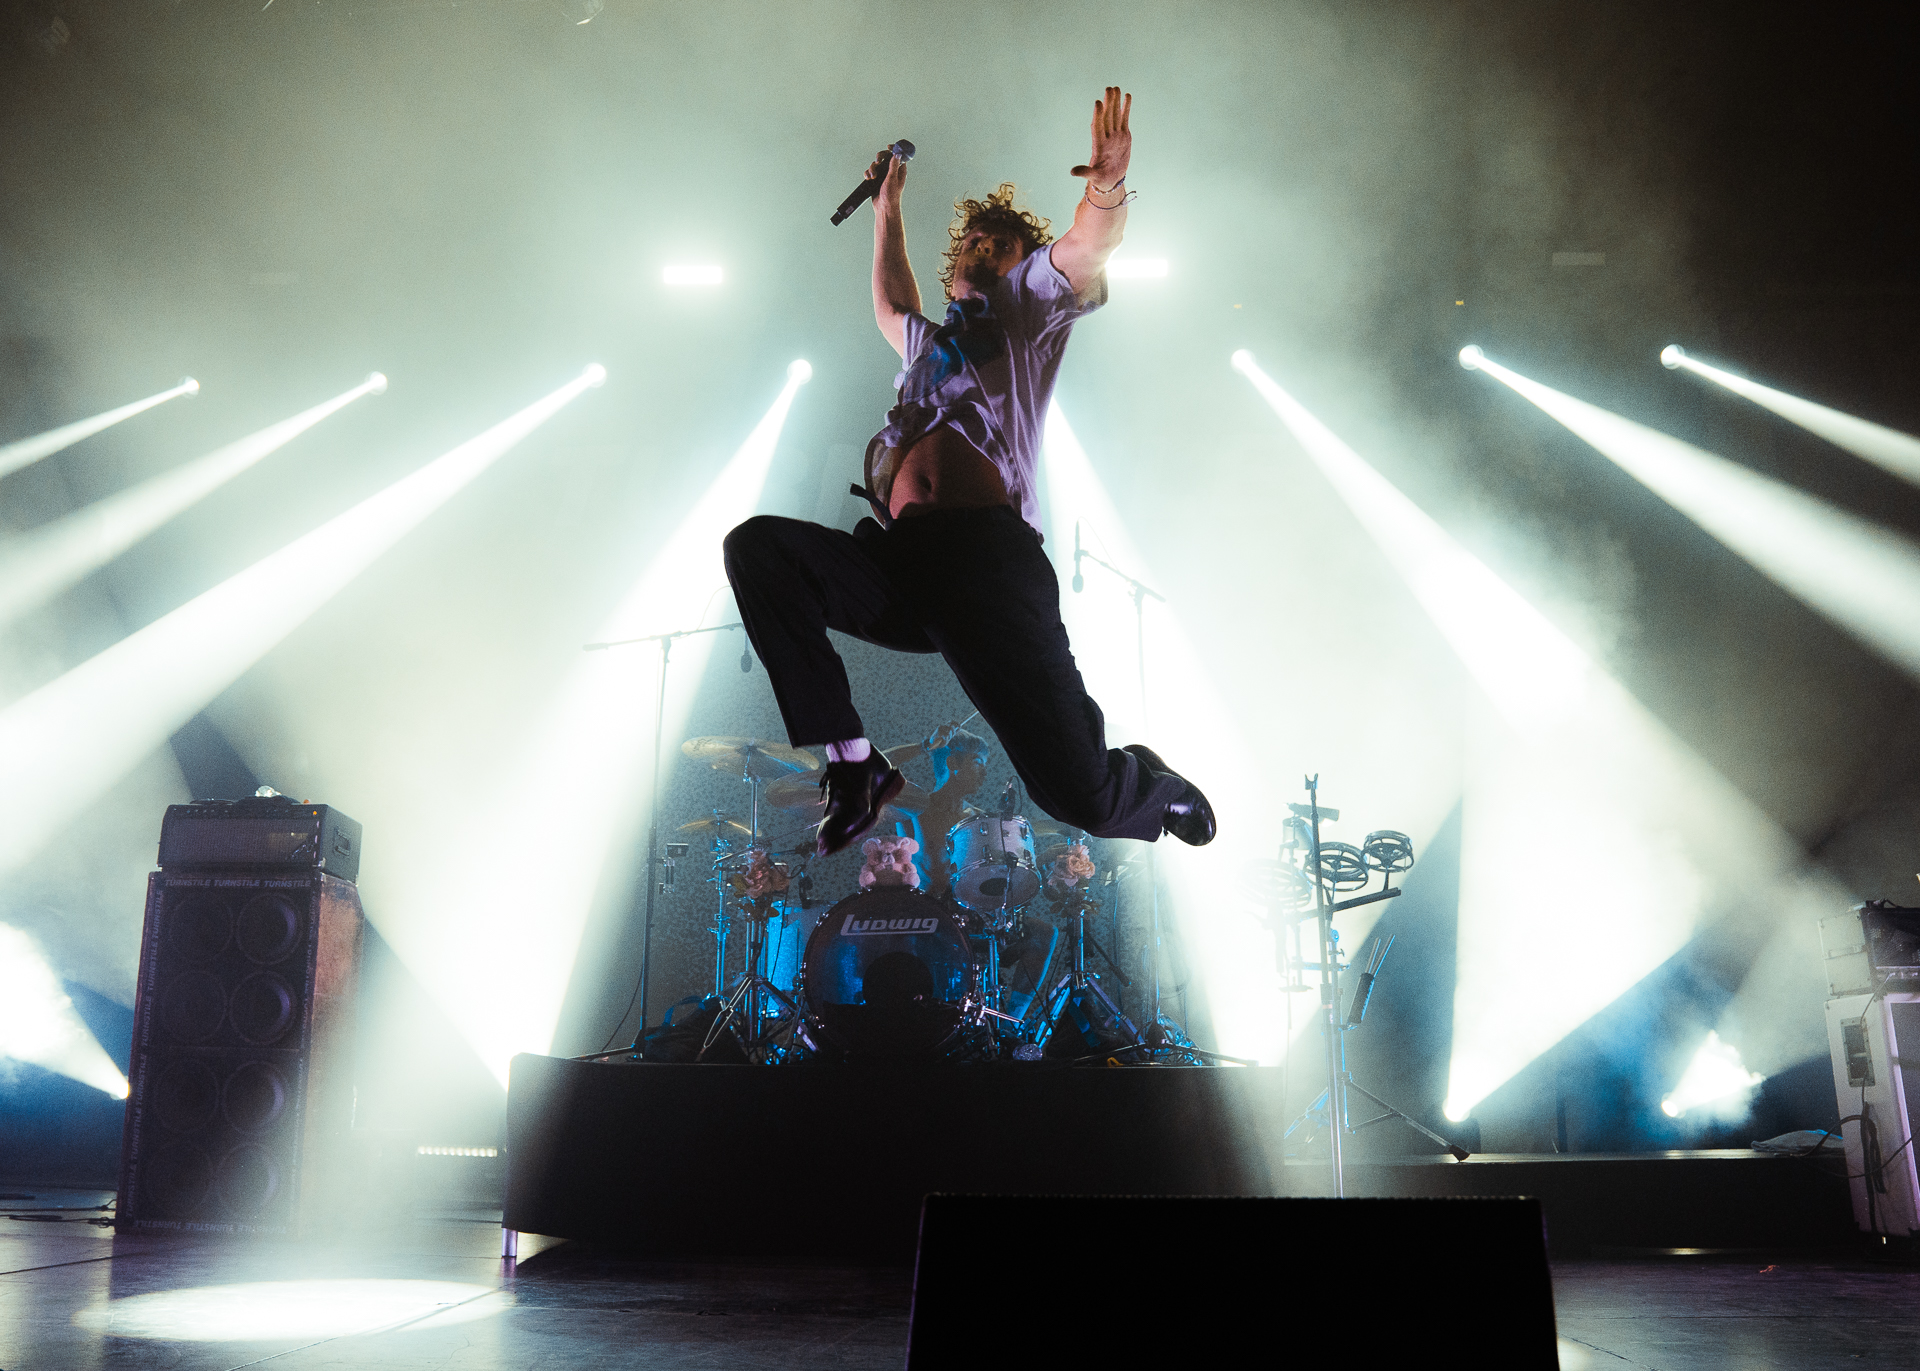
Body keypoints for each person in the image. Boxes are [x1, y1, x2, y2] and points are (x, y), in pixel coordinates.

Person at [725, 87, 1214, 857]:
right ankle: (853, 762)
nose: (983, 249)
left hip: (988, 566)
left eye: (1000, 244)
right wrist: (888, 208)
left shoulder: (1026, 311)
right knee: (759, 550)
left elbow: (1086, 248)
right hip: (906, 569)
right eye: (973, 243)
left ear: (1021, 262)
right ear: (955, 267)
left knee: (1076, 793)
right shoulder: (928, 346)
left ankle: (1152, 786)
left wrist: (1107, 188)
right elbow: (893, 305)